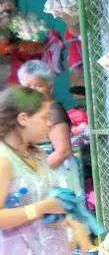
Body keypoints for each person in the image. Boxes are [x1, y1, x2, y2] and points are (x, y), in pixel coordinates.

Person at [0, 86, 92, 255]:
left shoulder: (37, 154)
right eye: (44, 117)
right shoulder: (4, 160)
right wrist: (42, 208)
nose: (50, 123)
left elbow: (55, 200)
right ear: (23, 119)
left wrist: (76, 225)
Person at [17, 60, 82, 196]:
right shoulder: (37, 111)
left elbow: (63, 152)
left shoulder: (53, 112)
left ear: (50, 87)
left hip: (55, 175)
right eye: (28, 86)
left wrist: (35, 175)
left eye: (38, 85)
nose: (33, 91)